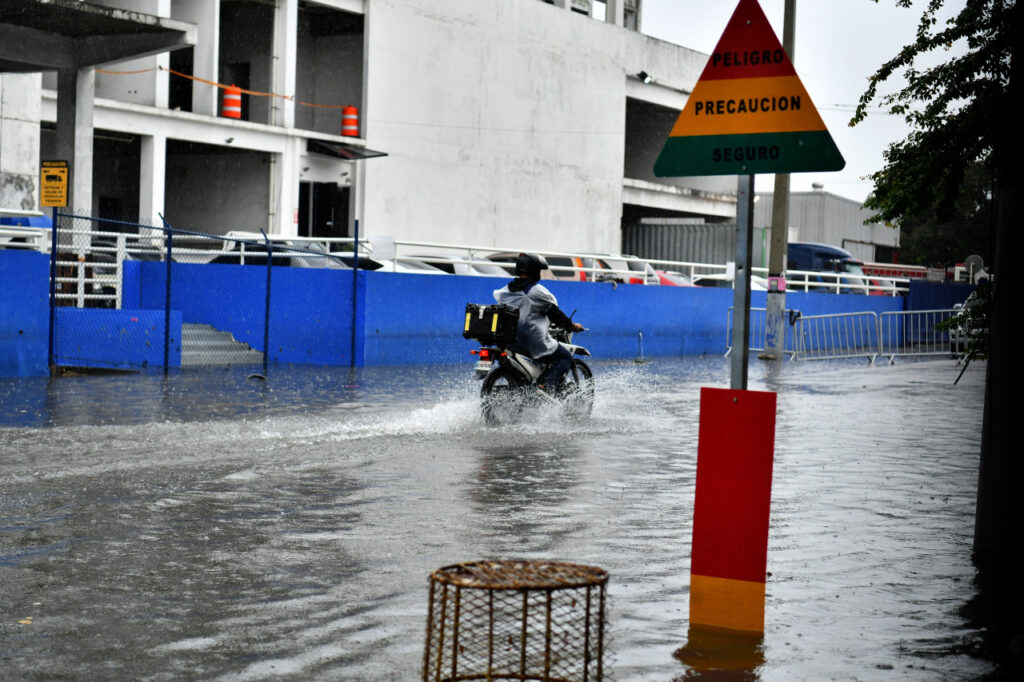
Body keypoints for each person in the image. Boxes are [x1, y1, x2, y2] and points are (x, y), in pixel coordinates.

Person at [493, 252, 584, 392]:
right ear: (534, 271)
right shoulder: (537, 291)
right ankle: (546, 388)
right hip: (533, 341)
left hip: (511, 341)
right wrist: (572, 326)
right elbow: (555, 314)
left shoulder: (507, 289)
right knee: (565, 357)